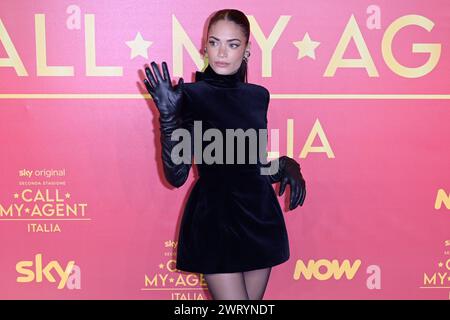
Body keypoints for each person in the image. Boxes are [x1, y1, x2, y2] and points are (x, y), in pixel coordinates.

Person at [143, 9, 306, 300]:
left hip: (258, 216)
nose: (221, 52)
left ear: (247, 50)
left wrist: (285, 165)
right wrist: (168, 118)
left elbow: (249, 165)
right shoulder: (189, 95)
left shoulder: (258, 96)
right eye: (215, 42)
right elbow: (176, 175)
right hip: (215, 219)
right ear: (204, 46)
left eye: (232, 44)